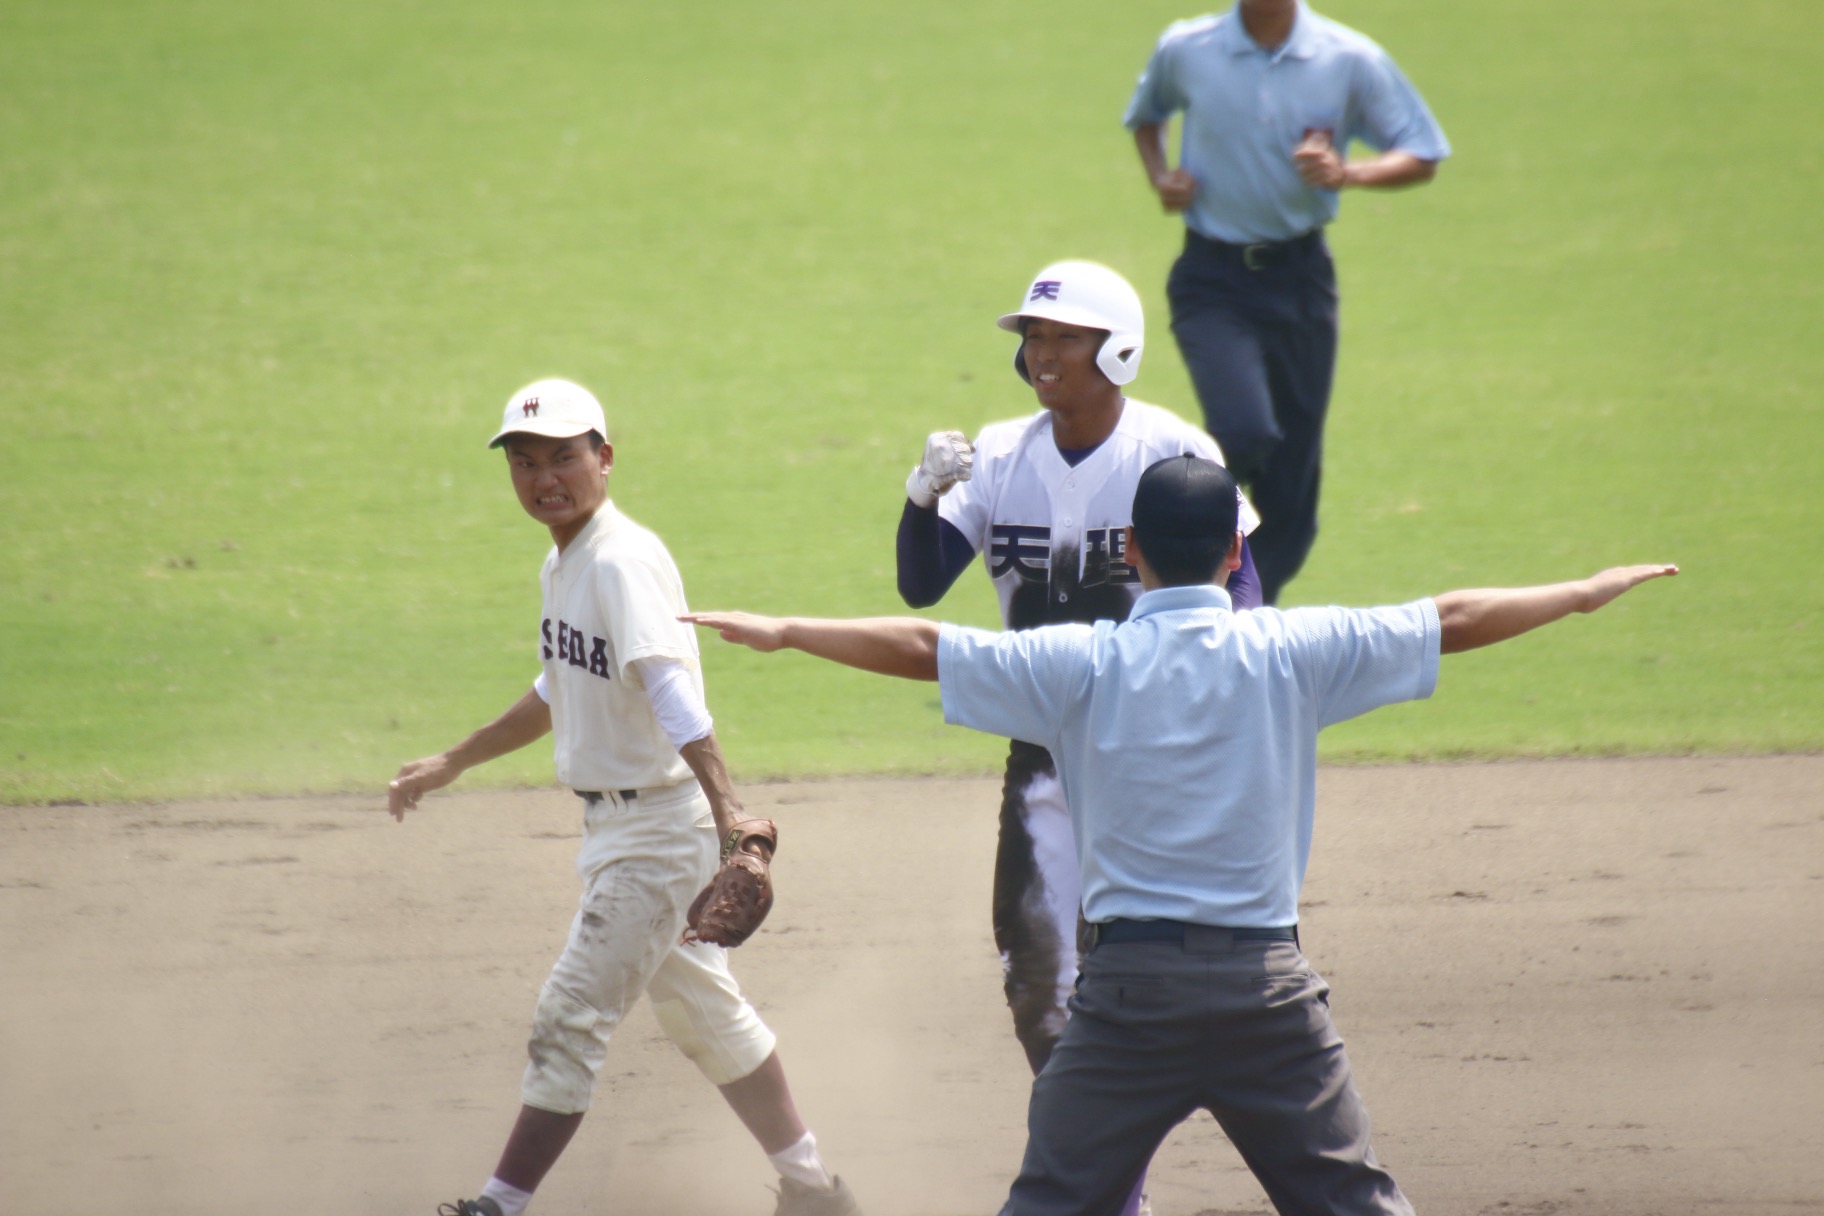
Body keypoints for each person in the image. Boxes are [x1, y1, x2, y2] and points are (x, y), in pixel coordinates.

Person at [688, 454, 1676, 1215]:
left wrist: (784, 628)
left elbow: (921, 641)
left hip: (1126, 1008)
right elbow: (1452, 617)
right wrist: (1583, 590)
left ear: (1132, 550)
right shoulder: (1296, 649)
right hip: (1270, 1002)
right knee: (1353, 1202)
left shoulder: (1081, 664)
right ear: (1237, 553)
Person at [386, 378, 860, 1216]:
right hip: (628, 827)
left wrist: (730, 813)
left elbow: (670, 688)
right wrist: (454, 760)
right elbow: (558, 685)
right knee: (707, 1015)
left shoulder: (620, 560)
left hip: (657, 833)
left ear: (605, 458)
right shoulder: (565, 559)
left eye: (563, 457)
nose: (544, 478)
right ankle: (815, 1190)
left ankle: (499, 1205)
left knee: (569, 1015)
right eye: (525, 462)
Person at [897, 258, 1262, 1216]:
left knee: (1165, 981)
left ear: (1119, 350)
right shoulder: (998, 456)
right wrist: (921, 494)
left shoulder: (1172, 452)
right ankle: (1118, 1192)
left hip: (1155, 756)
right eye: (1033, 337)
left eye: (1064, 337)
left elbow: (1243, 586)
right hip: (1044, 760)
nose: (1042, 353)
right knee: (1040, 987)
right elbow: (920, 585)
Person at [1125, 0, 1450, 604]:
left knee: (1292, 489)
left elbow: (1422, 151)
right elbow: (1146, 117)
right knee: (1242, 430)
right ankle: (1181, 559)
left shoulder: (1348, 58)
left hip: (1301, 280)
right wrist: (1161, 177)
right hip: (1211, 277)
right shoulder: (1187, 48)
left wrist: (1348, 173)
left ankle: (1242, 615)